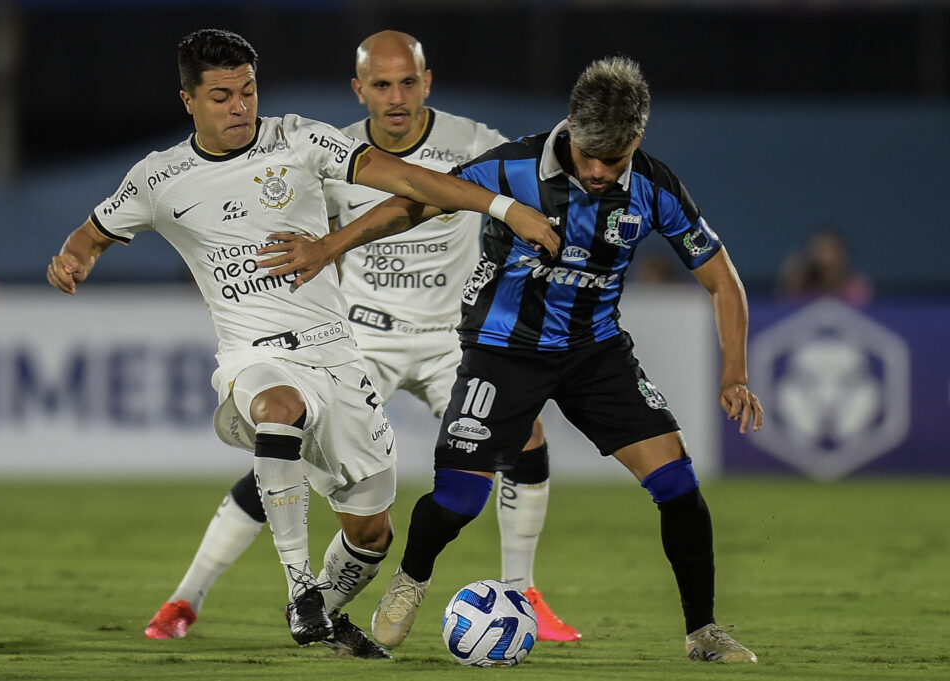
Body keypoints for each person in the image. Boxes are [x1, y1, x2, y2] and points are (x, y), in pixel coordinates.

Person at [45, 28, 558, 659]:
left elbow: (411, 183)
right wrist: (72, 259)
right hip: (253, 357)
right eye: (222, 96)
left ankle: (327, 610)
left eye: (248, 92)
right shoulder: (159, 179)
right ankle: (295, 591)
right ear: (188, 101)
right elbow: (92, 232)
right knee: (278, 410)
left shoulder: (301, 138)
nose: (240, 107)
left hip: (339, 353)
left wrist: (504, 209)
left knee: (372, 533)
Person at [260, 56, 764, 663]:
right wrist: (328, 245)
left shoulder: (655, 184)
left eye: (617, 158)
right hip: (502, 352)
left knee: (678, 484)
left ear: (637, 139)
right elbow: (415, 204)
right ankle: (411, 578)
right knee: (460, 500)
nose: (602, 172)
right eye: (591, 156)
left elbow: (722, 280)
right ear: (571, 129)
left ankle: (702, 632)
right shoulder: (514, 166)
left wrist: (734, 372)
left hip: (595, 353)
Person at [776, 227, 873, 306]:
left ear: (842, 252)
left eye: (829, 248)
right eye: (818, 248)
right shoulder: (802, 284)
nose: (823, 254)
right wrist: (792, 279)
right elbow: (784, 307)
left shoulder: (856, 286)